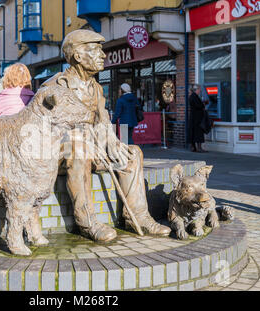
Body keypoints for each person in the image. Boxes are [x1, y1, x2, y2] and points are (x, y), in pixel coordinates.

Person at [38, 30, 170, 242]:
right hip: (61, 152)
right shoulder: (54, 86)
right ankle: (86, 221)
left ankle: (137, 215)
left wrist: (113, 143)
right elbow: (43, 126)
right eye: (96, 50)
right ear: (78, 56)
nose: (103, 55)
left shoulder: (97, 89)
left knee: (132, 153)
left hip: (92, 147)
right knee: (78, 148)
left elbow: (102, 123)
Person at [189, 84, 207, 152]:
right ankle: (199, 148)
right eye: (199, 89)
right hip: (197, 118)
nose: (200, 91)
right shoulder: (194, 97)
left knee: (193, 133)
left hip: (194, 117)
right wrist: (204, 104)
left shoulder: (192, 96)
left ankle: (194, 147)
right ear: (196, 90)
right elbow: (198, 106)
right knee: (198, 133)